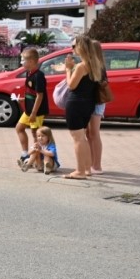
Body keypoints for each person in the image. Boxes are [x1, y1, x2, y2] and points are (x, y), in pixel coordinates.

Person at [63, 36, 102, 179]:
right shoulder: (95, 64)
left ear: (81, 47)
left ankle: (80, 171)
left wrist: (68, 70)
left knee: (78, 138)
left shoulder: (81, 66)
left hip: (76, 103)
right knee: (82, 137)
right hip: (87, 104)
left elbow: (71, 85)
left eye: (74, 46)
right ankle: (86, 169)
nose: (72, 49)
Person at [15, 48, 48, 169]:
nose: (21, 62)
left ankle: (38, 162)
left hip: (36, 112)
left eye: (23, 60)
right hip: (28, 110)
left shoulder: (39, 76)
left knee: (36, 135)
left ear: (32, 61)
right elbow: (31, 93)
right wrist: (24, 99)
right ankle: (25, 154)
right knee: (19, 128)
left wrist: (34, 113)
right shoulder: (28, 73)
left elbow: (40, 95)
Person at [86, 38, 106, 175]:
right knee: (89, 133)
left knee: (94, 133)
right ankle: (92, 163)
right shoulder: (93, 64)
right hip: (91, 101)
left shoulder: (98, 66)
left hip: (96, 102)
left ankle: (97, 165)